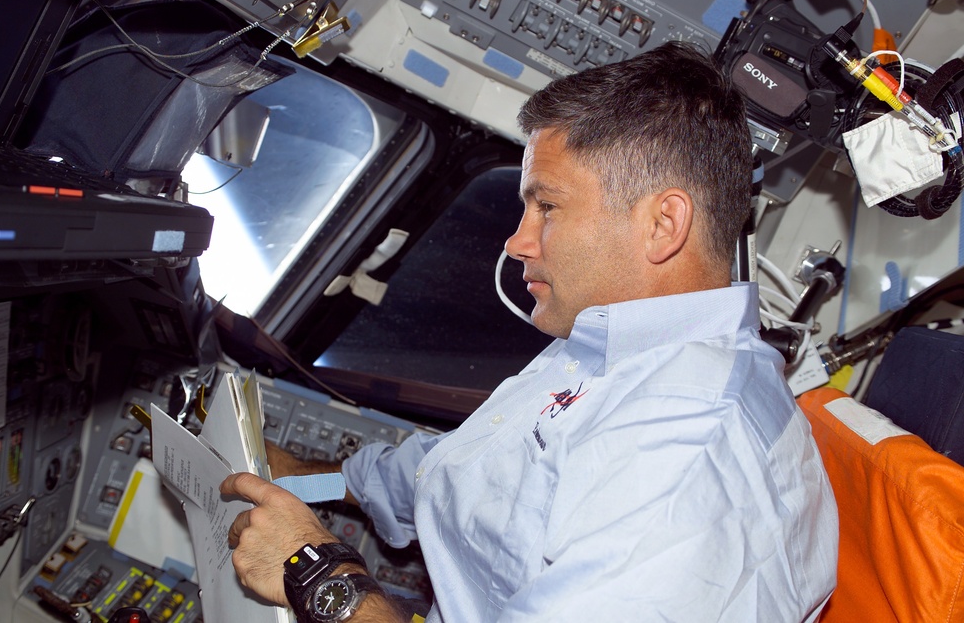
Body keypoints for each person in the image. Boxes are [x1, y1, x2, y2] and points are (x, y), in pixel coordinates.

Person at [220, 40, 839, 622]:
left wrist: (320, 576)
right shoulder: (603, 351)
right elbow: (453, 474)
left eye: (547, 206)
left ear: (663, 224)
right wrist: (299, 477)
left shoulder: (692, 452)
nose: (516, 241)